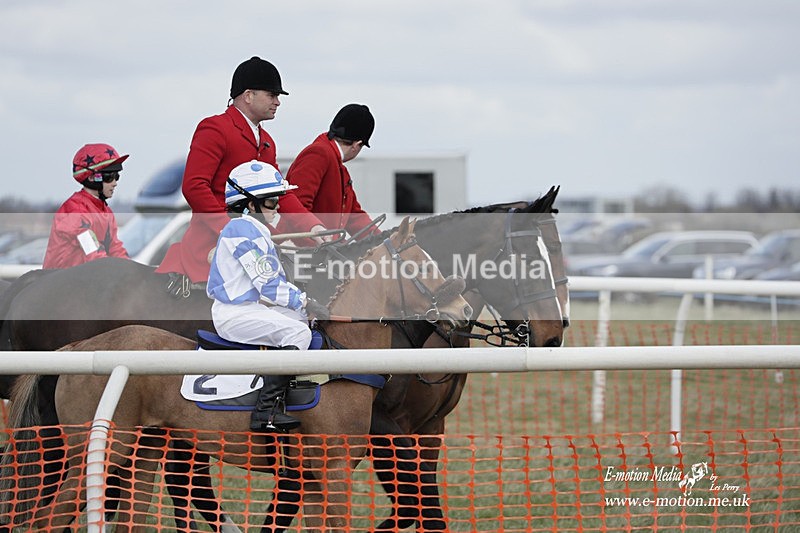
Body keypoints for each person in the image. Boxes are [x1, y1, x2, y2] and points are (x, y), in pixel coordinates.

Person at [207, 160, 321, 431]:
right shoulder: (243, 229)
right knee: (299, 334)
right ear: (250, 205)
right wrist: (306, 301)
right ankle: (265, 411)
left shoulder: (253, 229)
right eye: (271, 201)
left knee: (299, 319)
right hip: (233, 314)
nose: (277, 206)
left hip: (246, 308)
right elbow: (269, 286)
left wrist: (303, 307)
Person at [157, 56, 287, 287]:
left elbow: (280, 194)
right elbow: (194, 187)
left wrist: (313, 228)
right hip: (211, 241)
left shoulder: (267, 141)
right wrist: (229, 228)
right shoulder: (215, 128)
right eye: (272, 95)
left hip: (254, 241)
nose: (277, 102)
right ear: (248, 95)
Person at [276, 103, 381, 245]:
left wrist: (384, 241)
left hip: (322, 249)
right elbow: (297, 205)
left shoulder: (338, 166)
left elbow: (353, 216)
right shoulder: (319, 154)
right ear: (357, 145)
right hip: (300, 249)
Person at [43, 143, 130, 269]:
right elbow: (93, 252)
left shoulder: (106, 212)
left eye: (117, 176)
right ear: (92, 178)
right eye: (110, 177)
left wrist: (132, 270)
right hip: (61, 284)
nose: (115, 183)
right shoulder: (75, 211)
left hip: (85, 281)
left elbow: (115, 249)